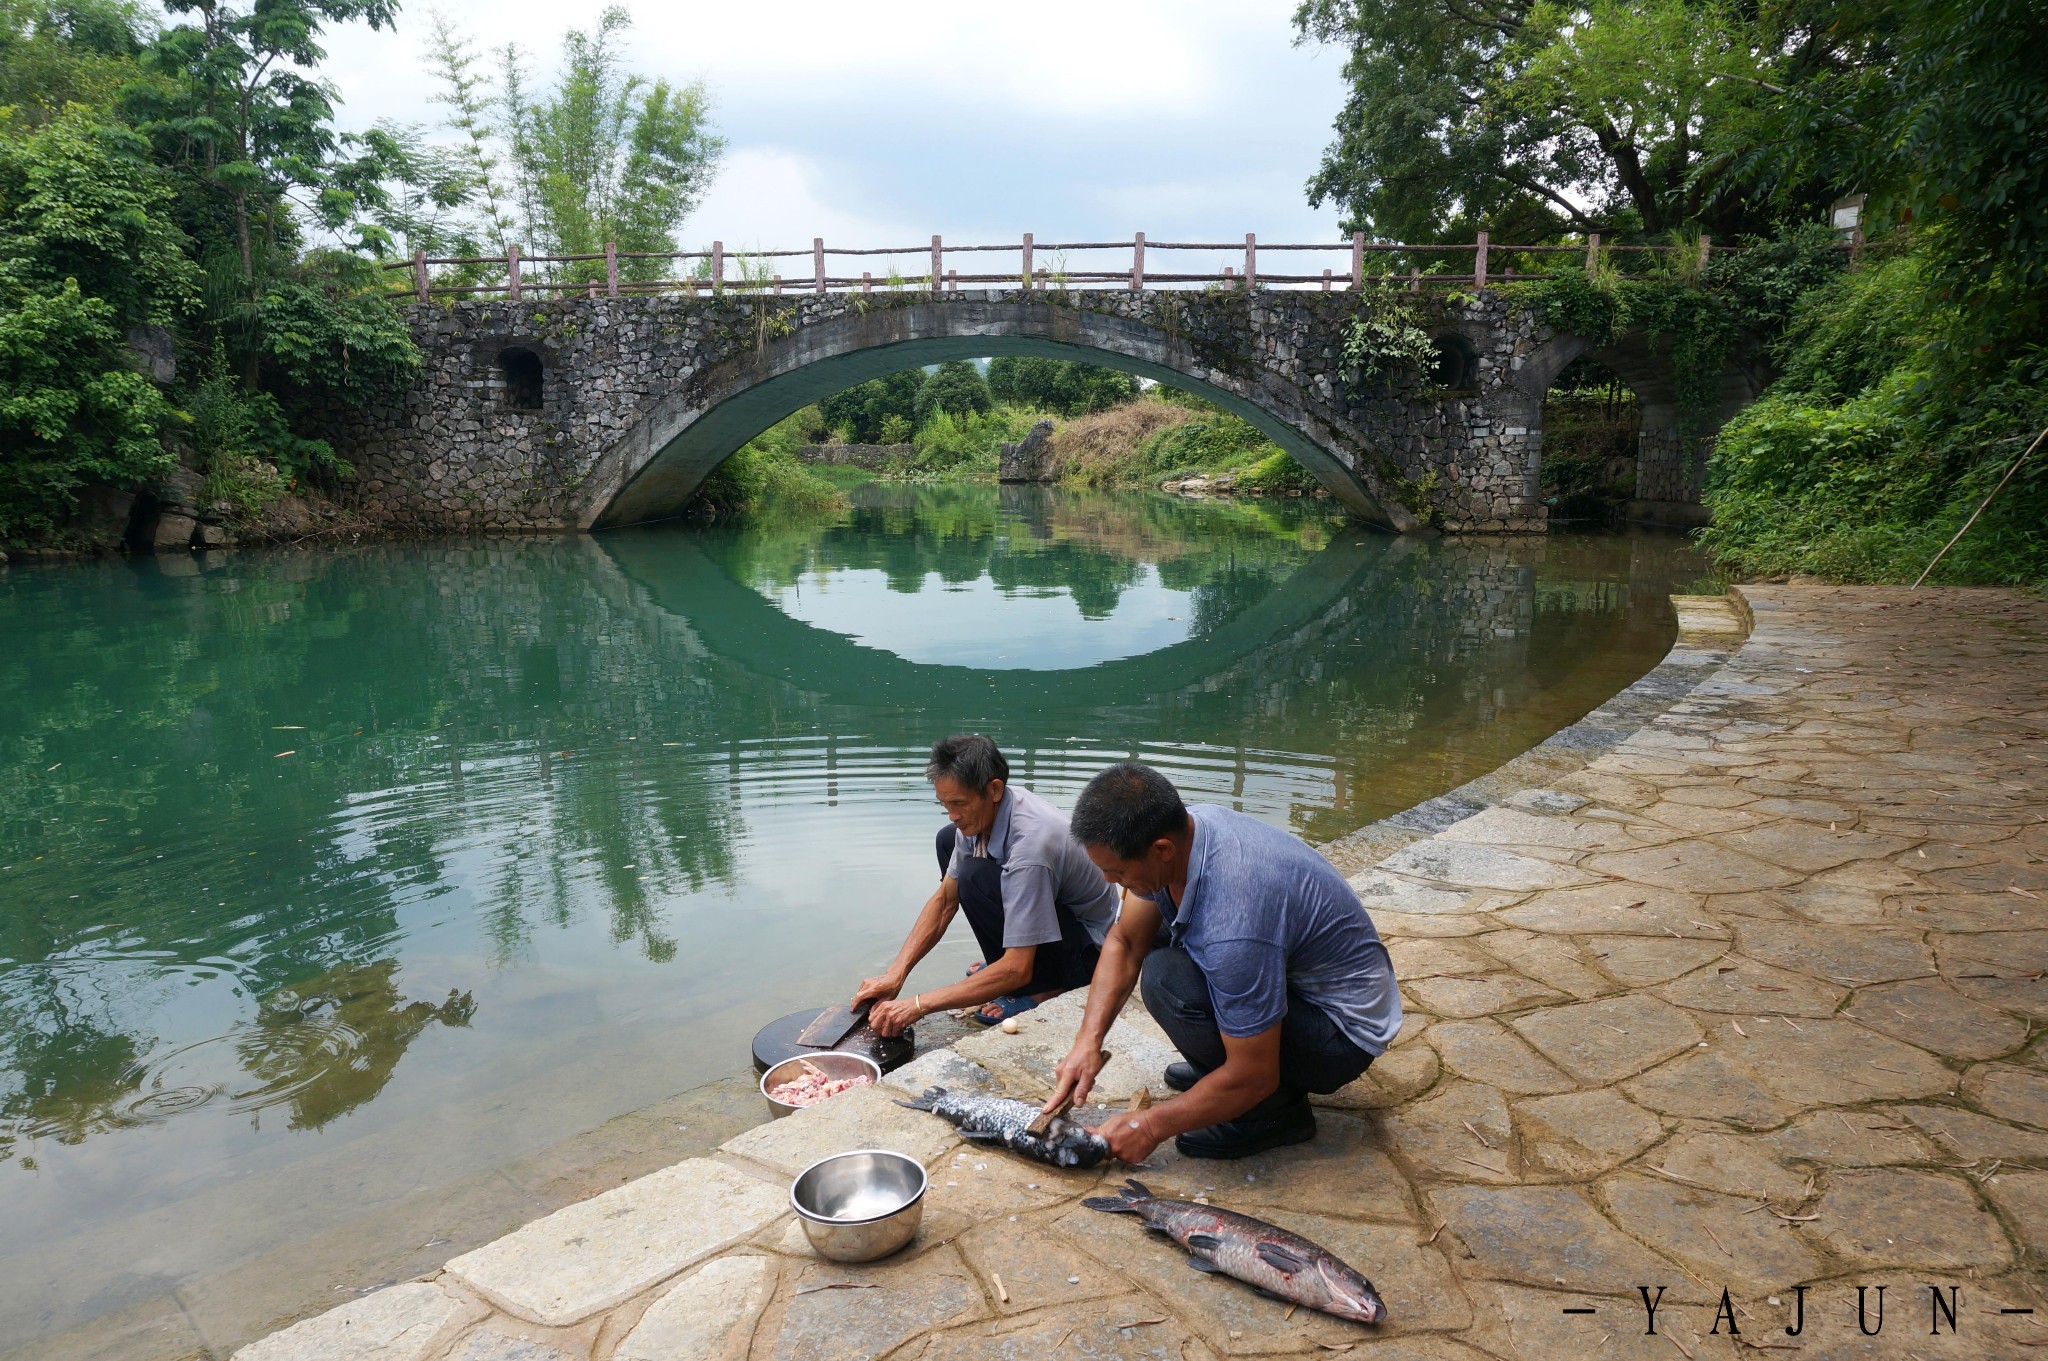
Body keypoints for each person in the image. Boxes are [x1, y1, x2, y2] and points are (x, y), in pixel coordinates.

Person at [1044, 761, 1400, 1160]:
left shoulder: (1234, 918)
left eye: (1119, 872)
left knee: (1167, 980)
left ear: (1161, 849)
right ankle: (1221, 1074)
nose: (1112, 883)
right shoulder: (1186, 830)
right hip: (1293, 980)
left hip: (1340, 1036)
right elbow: (1125, 941)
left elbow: (1255, 1074)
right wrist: (1087, 1042)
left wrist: (1150, 1125)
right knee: (1153, 937)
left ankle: (1274, 1113)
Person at [854, 734, 1122, 1035]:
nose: (953, 815)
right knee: (947, 840)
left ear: (994, 789)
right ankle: (1001, 966)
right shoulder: (984, 813)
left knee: (974, 876)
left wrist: (918, 1004)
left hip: (1087, 953)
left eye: (959, 804)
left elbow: (1018, 966)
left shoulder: (1031, 847)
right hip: (1053, 921)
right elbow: (945, 901)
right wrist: (896, 974)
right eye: (945, 804)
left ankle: (1045, 987)